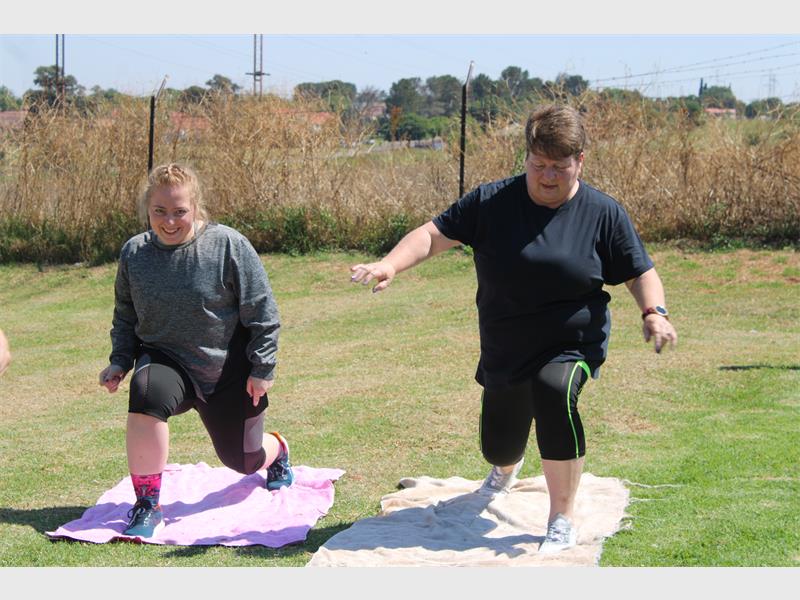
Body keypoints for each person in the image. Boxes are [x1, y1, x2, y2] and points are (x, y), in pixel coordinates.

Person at [350, 104, 677, 554]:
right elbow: (432, 235)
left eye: (558, 168)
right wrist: (390, 264)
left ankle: (560, 518)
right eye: (537, 165)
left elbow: (640, 271)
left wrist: (653, 311)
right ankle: (506, 470)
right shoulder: (490, 202)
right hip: (506, 345)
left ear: (580, 160)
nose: (546, 176)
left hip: (572, 341)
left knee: (554, 391)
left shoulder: (602, 213)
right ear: (525, 158)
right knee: (498, 447)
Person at [99, 163, 293, 539]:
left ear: (196, 207)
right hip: (166, 360)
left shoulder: (227, 245)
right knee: (146, 394)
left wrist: (262, 368)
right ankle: (148, 504)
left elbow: (263, 312)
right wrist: (120, 361)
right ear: (147, 210)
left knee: (244, 461)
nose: (169, 221)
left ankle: (279, 450)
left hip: (227, 369)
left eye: (179, 212)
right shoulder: (135, 254)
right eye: (160, 211)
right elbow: (125, 316)